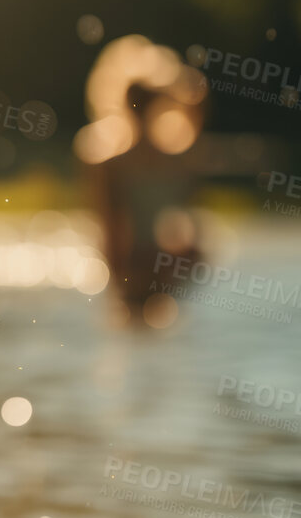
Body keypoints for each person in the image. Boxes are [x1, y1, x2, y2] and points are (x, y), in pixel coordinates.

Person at [73, 34, 209, 327]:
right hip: (140, 263)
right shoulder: (116, 160)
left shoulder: (162, 159)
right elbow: (112, 228)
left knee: (140, 323)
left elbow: (110, 225)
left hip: (150, 262)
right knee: (143, 321)